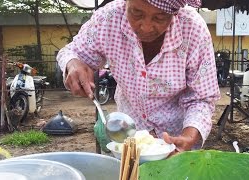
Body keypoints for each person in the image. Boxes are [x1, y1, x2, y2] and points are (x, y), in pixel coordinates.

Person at [57, 0, 220, 154]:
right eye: (136, 13)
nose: (146, 27)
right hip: (130, 136)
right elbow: (72, 52)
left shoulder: (192, 28)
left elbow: (202, 98)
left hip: (178, 140)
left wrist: (188, 137)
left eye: (160, 17)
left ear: (174, 13)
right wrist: (72, 63)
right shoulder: (108, 18)